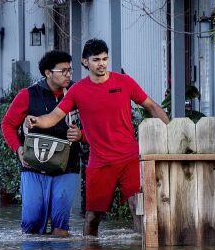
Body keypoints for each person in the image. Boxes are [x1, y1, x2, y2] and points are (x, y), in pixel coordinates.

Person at [29, 38, 169, 236]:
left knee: (138, 209)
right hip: (100, 162)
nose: (102, 63)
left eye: (105, 59)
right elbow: (54, 116)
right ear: (85, 62)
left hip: (129, 159)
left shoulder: (124, 82)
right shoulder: (77, 90)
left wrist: (171, 129)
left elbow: (152, 106)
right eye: (96, 59)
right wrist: (37, 121)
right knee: (93, 217)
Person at [1, 50, 84, 236]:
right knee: (31, 224)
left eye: (70, 70)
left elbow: (95, 124)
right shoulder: (27, 95)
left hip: (67, 167)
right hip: (32, 166)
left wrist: (81, 135)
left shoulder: (78, 92)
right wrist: (18, 149)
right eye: (63, 71)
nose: (68, 75)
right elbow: (7, 124)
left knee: (61, 227)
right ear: (48, 73)